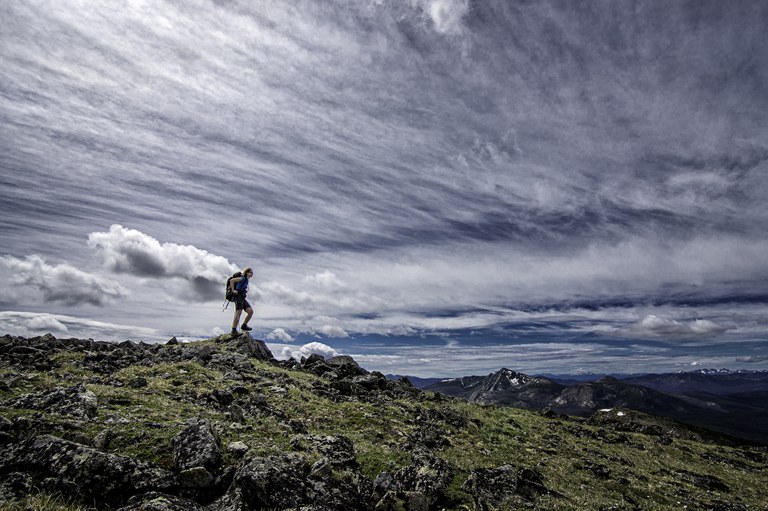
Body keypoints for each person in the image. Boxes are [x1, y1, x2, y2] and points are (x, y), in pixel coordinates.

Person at [229, 267, 254, 335]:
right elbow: (232, 280)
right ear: (247, 272)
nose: (252, 274)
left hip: (242, 297)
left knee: (250, 311)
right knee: (238, 313)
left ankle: (244, 325)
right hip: (238, 296)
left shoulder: (246, 280)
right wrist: (233, 290)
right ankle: (234, 330)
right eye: (251, 272)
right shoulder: (242, 278)